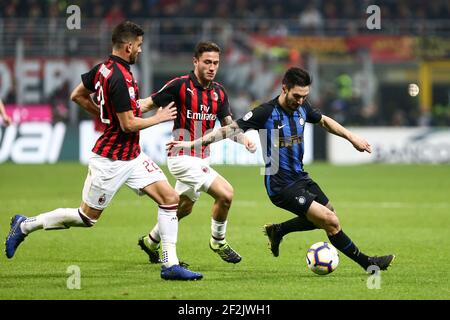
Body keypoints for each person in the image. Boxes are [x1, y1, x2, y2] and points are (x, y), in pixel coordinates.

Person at [4, 21, 202, 281]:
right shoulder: (121, 78)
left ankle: (170, 265)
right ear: (128, 46)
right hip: (110, 160)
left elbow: (77, 94)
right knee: (86, 217)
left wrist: (105, 113)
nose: (140, 51)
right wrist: (159, 117)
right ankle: (25, 225)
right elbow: (128, 123)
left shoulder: (102, 69)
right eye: (139, 46)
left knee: (169, 199)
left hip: (133, 156)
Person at [167, 67, 395, 272]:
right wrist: (192, 144)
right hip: (280, 184)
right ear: (284, 88)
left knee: (329, 213)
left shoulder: (303, 106)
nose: (301, 101)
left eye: (305, 96)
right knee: (330, 221)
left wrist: (351, 137)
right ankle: (368, 263)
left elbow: (324, 120)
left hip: (301, 177)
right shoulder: (265, 112)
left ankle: (278, 231)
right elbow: (227, 130)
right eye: (297, 96)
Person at [137, 41, 256, 265]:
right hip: (181, 157)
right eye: (207, 62)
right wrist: (122, 109)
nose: (212, 67)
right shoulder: (180, 85)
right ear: (195, 62)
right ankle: (218, 241)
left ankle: (150, 241)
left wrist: (244, 139)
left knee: (183, 207)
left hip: (202, 157)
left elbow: (228, 126)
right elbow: (147, 104)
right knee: (226, 194)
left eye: (216, 63)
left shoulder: (219, 93)